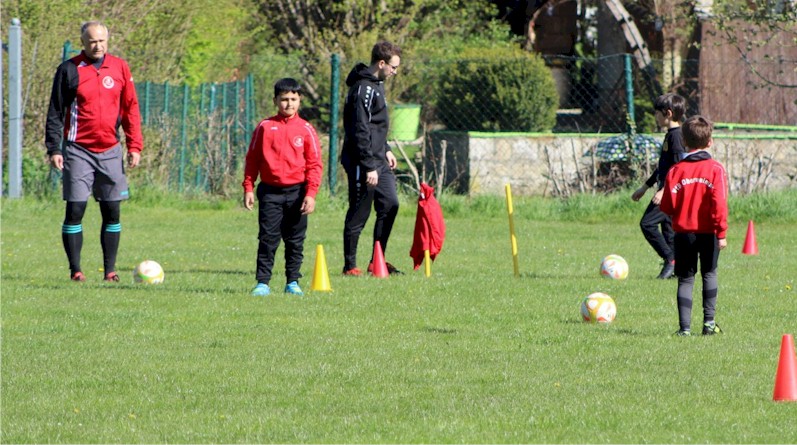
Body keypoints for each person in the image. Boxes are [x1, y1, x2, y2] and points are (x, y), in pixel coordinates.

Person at [45, 21, 143, 282]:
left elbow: (131, 108)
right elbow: (55, 111)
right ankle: (75, 270)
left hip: (111, 150)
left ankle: (110, 270)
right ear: (83, 42)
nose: (97, 45)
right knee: (75, 209)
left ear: (107, 41)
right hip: (77, 150)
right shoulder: (69, 70)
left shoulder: (120, 67)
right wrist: (54, 148)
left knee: (112, 210)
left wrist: (135, 145)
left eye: (101, 41)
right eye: (92, 41)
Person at [242, 78, 323, 297]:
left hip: (297, 193)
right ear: (275, 101)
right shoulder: (265, 127)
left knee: (295, 240)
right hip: (269, 192)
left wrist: (311, 194)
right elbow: (252, 159)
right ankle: (262, 283)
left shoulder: (306, 129)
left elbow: (315, 165)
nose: (289, 104)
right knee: (268, 238)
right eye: (284, 99)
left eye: (293, 99)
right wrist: (248, 187)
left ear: (300, 100)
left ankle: (293, 282)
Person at [659, 115, 728, 336]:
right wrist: (722, 232)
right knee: (709, 273)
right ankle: (709, 324)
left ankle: (684, 328)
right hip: (709, 232)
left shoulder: (676, 171)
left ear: (685, 143)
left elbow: (667, 206)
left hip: (683, 233)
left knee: (686, 278)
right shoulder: (715, 169)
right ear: (710, 142)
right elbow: (719, 203)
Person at [341, 41, 403, 276]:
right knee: (359, 212)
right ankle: (350, 266)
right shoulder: (363, 89)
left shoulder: (377, 85)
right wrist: (368, 166)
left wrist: (386, 148)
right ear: (381, 63)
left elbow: (376, 125)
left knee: (390, 204)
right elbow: (360, 130)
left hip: (379, 159)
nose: (394, 72)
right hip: (362, 161)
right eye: (393, 67)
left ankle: (377, 260)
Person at [631, 93, 687, 279]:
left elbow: (679, 168)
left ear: (668, 113)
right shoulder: (670, 135)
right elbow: (663, 168)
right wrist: (645, 187)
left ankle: (670, 258)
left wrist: (664, 191)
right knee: (669, 232)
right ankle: (675, 269)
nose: (655, 117)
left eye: (657, 113)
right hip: (667, 191)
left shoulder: (677, 137)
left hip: (671, 194)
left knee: (647, 224)